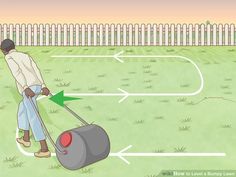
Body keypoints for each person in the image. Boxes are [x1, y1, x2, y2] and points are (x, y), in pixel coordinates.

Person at [1, 39, 51, 158]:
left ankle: (44, 149)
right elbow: (36, 70)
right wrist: (43, 86)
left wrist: (25, 87)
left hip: (28, 88)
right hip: (37, 85)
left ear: (4, 51)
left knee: (33, 116)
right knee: (22, 109)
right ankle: (26, 138)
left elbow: (17, 72)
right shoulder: (24, 55)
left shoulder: (9, 57)